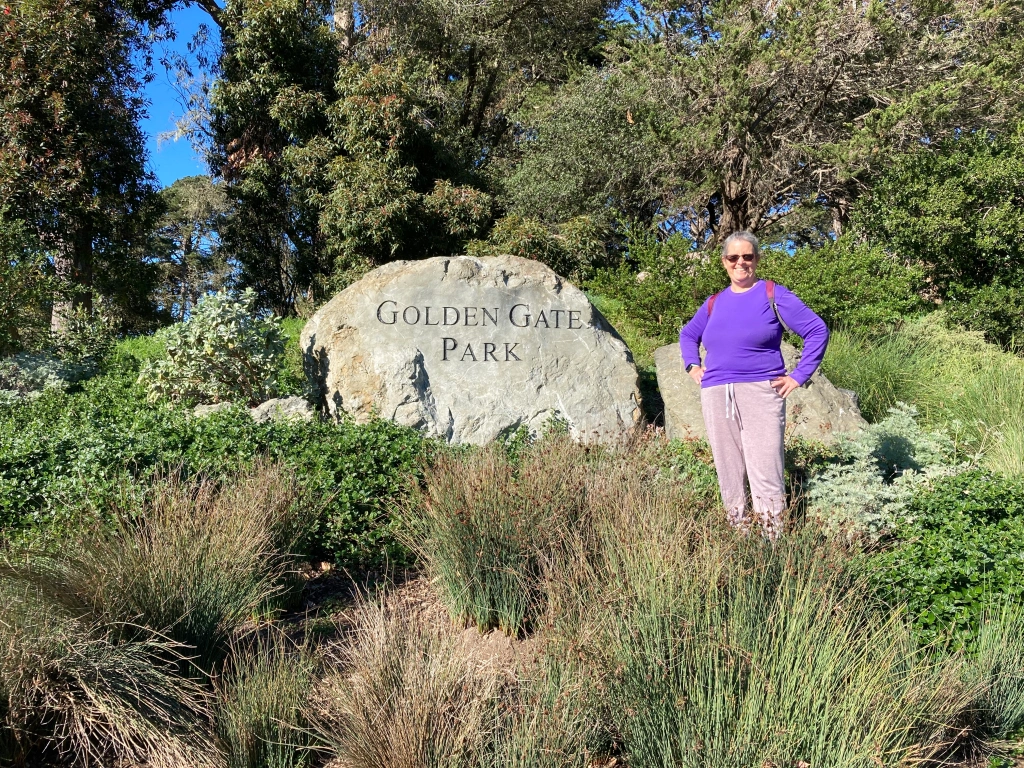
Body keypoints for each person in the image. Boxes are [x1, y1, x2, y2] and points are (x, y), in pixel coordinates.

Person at [679, 231, 828, 540]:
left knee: (766, 468)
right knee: (728, 468)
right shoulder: (713, 302)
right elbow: (688, 335)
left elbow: (816, 330)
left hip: (761, 391)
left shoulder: (773, 294)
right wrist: (693, 365)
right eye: (733, 258)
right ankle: (741, 537)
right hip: (717, 391)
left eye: (747, 256)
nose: (741, 263)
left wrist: (798, 376)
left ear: (757, 259)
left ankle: (772, 542)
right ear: (724, 262)